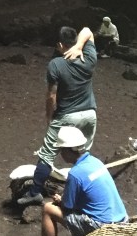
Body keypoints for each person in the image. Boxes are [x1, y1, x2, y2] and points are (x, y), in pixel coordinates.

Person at [22, 125, 128, 236]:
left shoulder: (76, 173)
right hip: (120, 220)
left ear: (68, 150)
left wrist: (60, 201)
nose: (61, 154)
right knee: (83, 209)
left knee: (48, 209)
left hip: (101, 226)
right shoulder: (96, 162)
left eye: (61, 150)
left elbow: (68, 207)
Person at [17, 26, 97, 207]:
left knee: (46, 154)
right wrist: (80, 46)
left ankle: (35, 193)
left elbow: (51, 96)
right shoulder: (89, 58)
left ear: (60, 45)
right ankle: (83, 193)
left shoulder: (56, 64)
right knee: (83, 154)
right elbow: (87, 30)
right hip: (90, 114)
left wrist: (49, 116)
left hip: (67, 115)